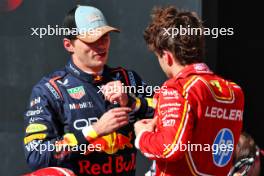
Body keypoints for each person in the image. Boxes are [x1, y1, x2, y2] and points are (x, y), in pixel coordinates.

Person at [23, 5, 154, 176]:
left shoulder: (128, 79)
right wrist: (94, 131)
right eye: (92, 39)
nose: (101, 44)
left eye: (105, 36)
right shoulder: (50, 90)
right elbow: (36, 155)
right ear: (69, 45)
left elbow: (170, 118)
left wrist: (132, 102)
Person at [134, 6, 244, 176]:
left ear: (167, 56)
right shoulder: (234, 91)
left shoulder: (178, 88)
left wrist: (142, 136)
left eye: (158, 56)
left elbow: (170, 148)